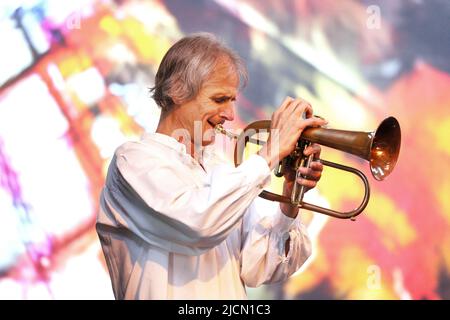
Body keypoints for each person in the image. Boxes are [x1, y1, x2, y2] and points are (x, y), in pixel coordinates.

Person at [96, 33, 327, 299]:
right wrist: (271, 152)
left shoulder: (224, 171)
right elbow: (198, 224)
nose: (230, 115)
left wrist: (290, 198)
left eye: (232, 101)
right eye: (219, 100)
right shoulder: (133, 161)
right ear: (178, 90)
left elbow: (261, 268)